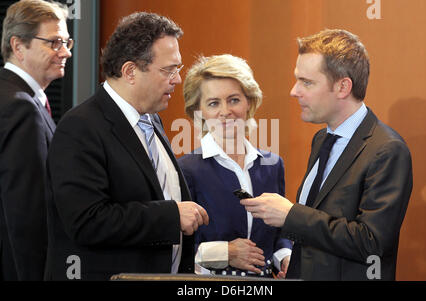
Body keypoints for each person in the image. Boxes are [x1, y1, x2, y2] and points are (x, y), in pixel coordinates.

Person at [45, 12, 208, 280]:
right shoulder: (80, 127)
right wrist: (171, 216)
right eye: (169, 70)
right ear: (130, 71)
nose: (177, 79)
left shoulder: (152, 119)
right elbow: (87, 221)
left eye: (177, 69)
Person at [241, 29, 413, 280]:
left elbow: (371, 242)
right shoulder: (322, 139)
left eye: (307, 82)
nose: (294, 91)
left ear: (343, 86)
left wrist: (290, 215)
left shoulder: (387, 150)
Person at [178, 54, 292, 278]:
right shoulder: (185, 169)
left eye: (234, 100)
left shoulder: (273, 165)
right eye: (213, 103)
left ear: (248, 101)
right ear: (198, 112)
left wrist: (285, 257)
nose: (225, 111)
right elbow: (178, 249)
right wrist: (225, 252)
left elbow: (281, 232)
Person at [0, 0, 72, 280]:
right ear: (18, 46)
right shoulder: (21, 107)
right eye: (53, 43)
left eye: (67, 42)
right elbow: (26, 214)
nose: (64, 52)